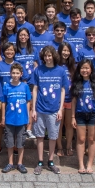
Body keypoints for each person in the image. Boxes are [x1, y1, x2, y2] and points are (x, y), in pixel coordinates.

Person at [30, 46, 68, 174]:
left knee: (52, 136)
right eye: (45, 56)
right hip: (40, 109)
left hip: (54, 110)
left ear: (54, 56)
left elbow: (63, 90)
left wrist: (61, 109)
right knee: (40, 136)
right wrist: (33, 109)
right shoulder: (38, 70)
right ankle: (40, 162)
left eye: (49, 55)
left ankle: (50, 161)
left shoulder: (61, 71)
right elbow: (35, 89)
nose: (47, 58)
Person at [71, 59, 95, 174]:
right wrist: (73, 117)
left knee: (92, 139)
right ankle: (81, 164)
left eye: (87, 68)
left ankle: (89, 164)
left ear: (91, 69)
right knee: (81, 139)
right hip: (80, 114)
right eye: (82, 68)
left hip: (93, 114)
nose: (85, 70)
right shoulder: (77, 83)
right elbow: (74, 101)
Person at [1, 62, 31, 174]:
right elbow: (3, 102)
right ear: (10, 74)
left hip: (22, 119)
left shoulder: (25, 86)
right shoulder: (6, 86)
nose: (15, 75)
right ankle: (10, 163)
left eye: (17, 73)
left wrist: (28, 116)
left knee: (20, 142)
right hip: (9, 119)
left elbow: (28, 101)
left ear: (21, 74)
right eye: (13, 73)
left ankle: (20, 163)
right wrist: (3, 117)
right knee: (9, 142)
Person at [57, 42, 76, 157]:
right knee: (59, 125)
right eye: (63, 50)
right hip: (58, 100)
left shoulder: (73, 66)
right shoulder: (55, 65)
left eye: (67, 51)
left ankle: (69, 146)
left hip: (70, 99)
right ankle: (59, 147)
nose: (65, 53)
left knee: (69, 125)